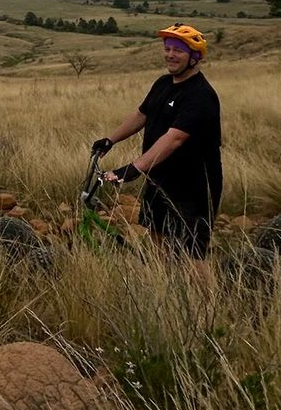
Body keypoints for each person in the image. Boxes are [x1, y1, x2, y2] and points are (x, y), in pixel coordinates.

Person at [90, 24, 222, 260]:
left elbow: (175, 138)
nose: (170, 55)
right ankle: (165, 291)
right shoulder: (163, 83)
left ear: (194, 57)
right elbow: (142, 115)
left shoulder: (200, 95)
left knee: (191, 256)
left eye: (178, 51)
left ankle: (207, 297)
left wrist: (134, 168)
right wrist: (110, 140)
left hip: (194, 187)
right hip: (159, 178)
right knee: (157, 240)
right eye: (167, 49)